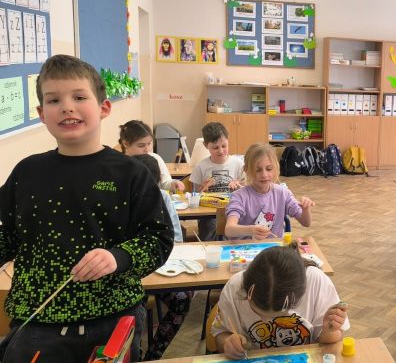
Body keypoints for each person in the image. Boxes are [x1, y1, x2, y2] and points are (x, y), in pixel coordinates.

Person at [0, 55, 174, 363]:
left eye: (79, 97)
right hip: (38, 324)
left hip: (114, 321)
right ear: (41, 113)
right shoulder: (27, 173)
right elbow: (7, 237)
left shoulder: (130, 174)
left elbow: (158, 238)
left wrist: (118, 257)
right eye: (54, 100)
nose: (67, 107)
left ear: (104, 108)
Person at [211, 245, 349, 359]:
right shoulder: (235, 288)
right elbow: (221, 334)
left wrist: (329, 330)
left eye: (277, 315)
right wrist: (227, 343)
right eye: (258, 313)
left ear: (299, 296)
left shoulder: (316, 281)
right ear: (247, 292)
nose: (266, 321)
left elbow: (330, 344)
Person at [132, 154, 192, 360]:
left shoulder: (164, 199)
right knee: (134, 305)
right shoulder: (122, 202)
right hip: (133, 274)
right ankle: (135, 352)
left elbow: (177, 238)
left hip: (161, 268)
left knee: (182, 298)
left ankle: (153, 355)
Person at [225, 144, 314, 239]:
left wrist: (305, 209)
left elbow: (306, 223)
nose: (264, 174)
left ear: (276, 168)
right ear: (247, 170)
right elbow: (229, 230)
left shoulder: (283, 193)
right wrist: (251, 230)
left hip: (274, 247)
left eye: (269, 169)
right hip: (245, 247)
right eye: (258, 170)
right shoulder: (239, 196)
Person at [189, 122, 245, 240]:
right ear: (205, 145)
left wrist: (239, 185)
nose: (221, 151)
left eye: (224, 146)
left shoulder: (238, 164)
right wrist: (202, 188)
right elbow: (193, 195)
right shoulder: (201, 167)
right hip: (208, 213)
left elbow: (248, 190)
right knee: (210, 228)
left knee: (235, 229)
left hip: (233, 209)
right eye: (215, 148)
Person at [119, 119, 185, 193]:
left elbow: (164, 183)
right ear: (126, 144)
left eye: (149, 143)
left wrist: (173, 184)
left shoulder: (155, 158)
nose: (147, 149)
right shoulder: (120, 164)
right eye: (141, 145)